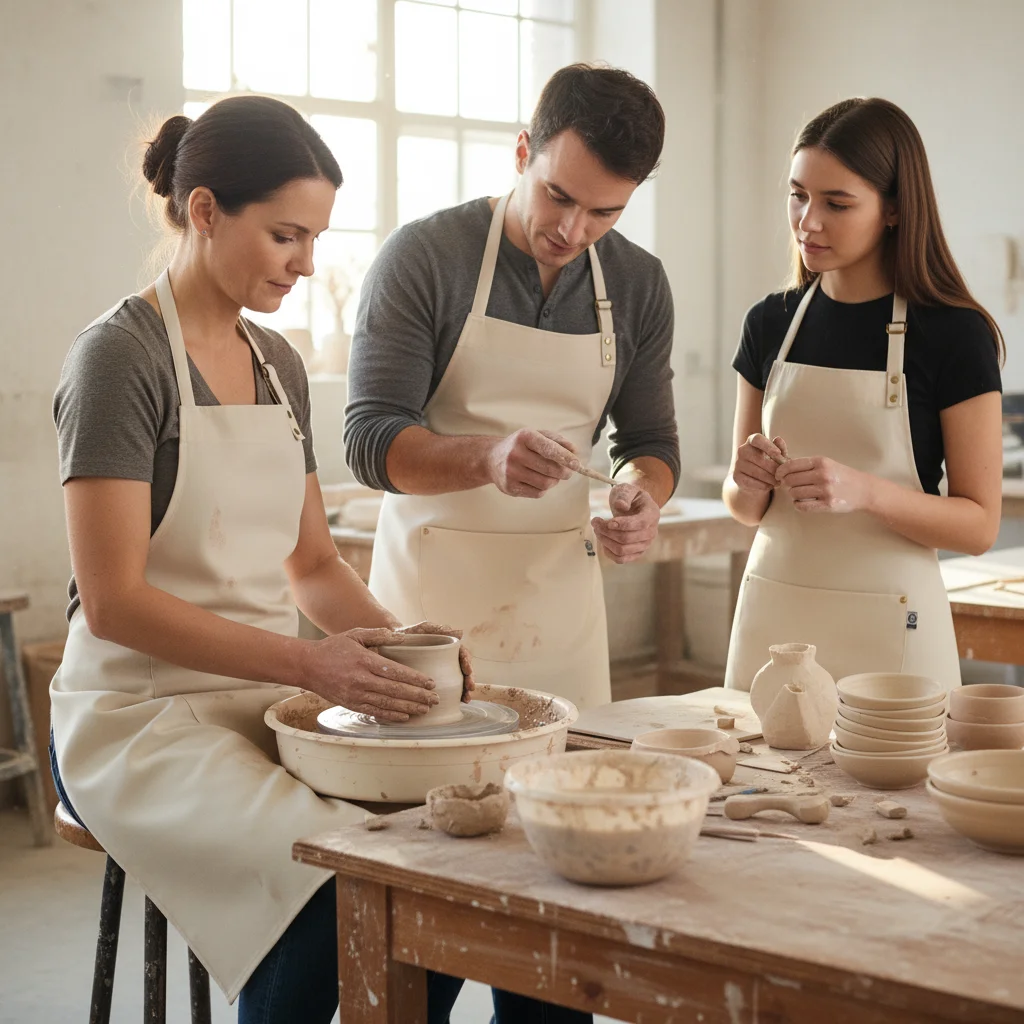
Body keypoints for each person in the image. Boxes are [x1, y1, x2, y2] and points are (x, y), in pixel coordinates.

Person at [49, 95, 471, 1023]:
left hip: (259, 700)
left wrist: (407, 645)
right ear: (204, 211)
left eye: (316, 239)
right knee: (328, 885)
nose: (306, 264)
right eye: (286, 235)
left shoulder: (275, 362)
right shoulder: (120, 360)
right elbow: (114, 603)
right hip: (132, 717)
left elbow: (313, 566)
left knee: (444, 875)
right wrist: (311, 663)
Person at [345, 63, 680, 715]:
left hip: (563, 622)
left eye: (604, 211)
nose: (572, 230)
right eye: (558, 195)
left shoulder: (638, 284)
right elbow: (368, 441)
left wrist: (642, 492)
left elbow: (650, 442)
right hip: (425, 621)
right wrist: (487, 458)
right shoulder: (426, 258)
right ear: (523, 151)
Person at [724, 97, 1003, 693]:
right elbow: (745, 507)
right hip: (776, 615)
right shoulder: (768, 323)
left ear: (895, 210)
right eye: (798, 195)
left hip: (893, 619)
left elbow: (979, 525)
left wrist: (865, 491)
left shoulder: (952, 333)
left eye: (837, 203)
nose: (808, 221)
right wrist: (744, 480)